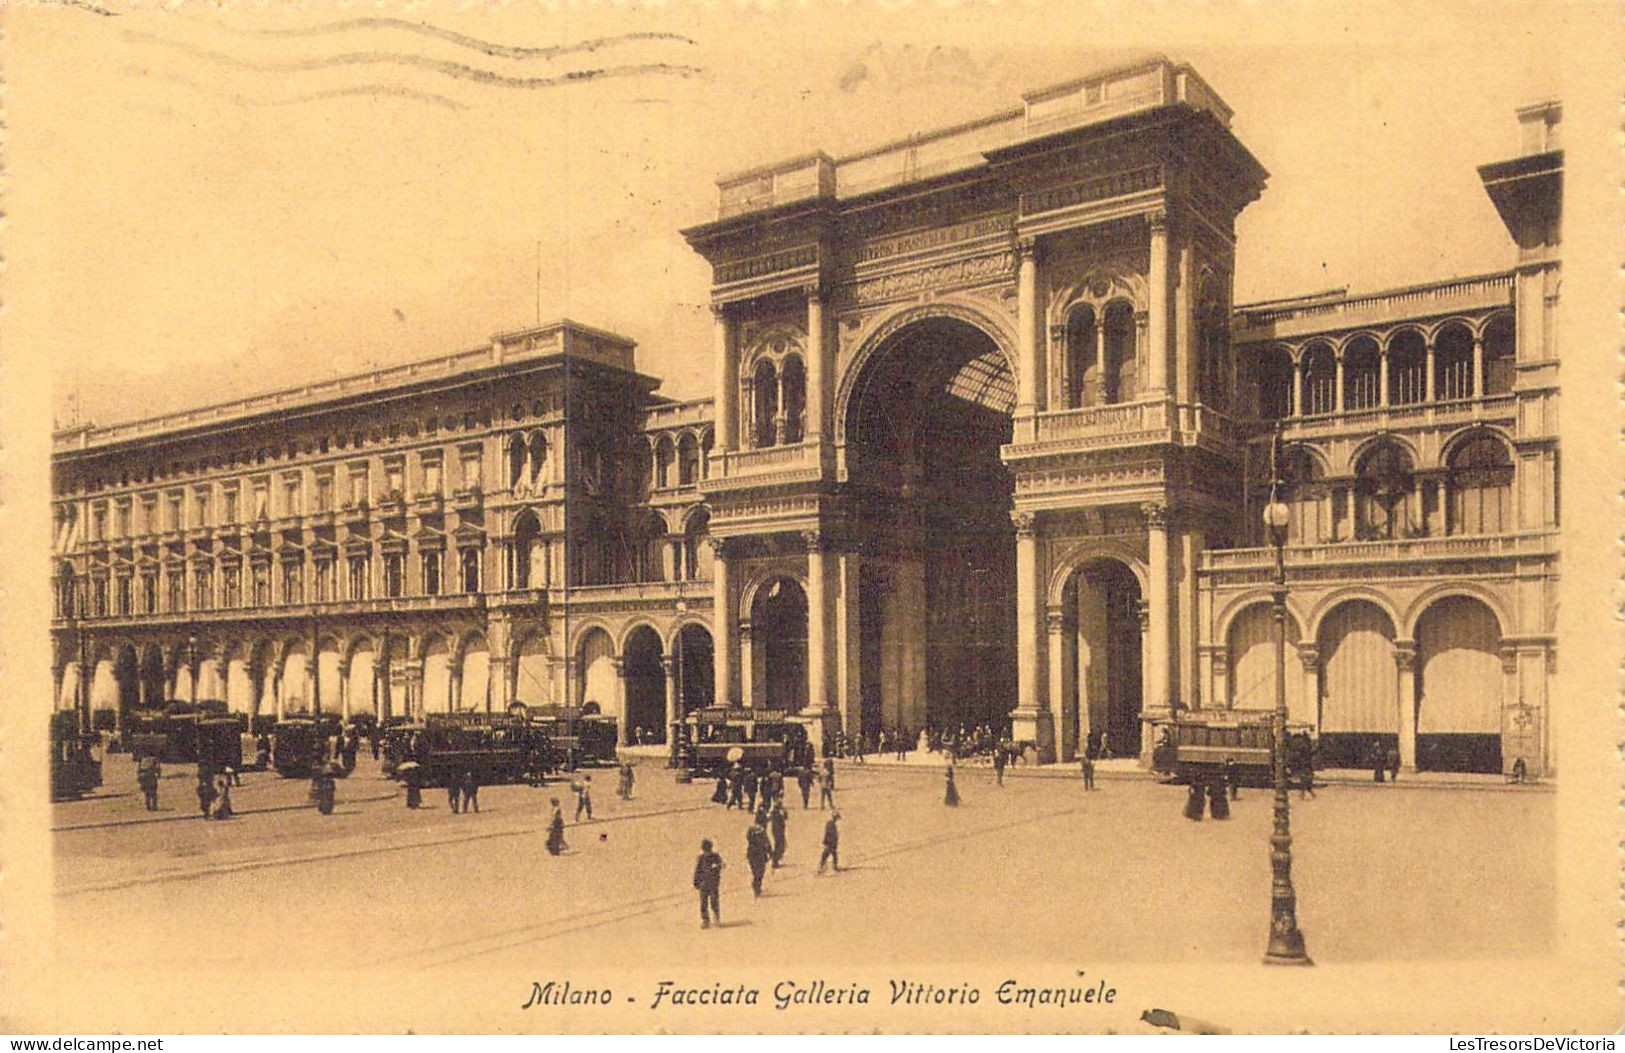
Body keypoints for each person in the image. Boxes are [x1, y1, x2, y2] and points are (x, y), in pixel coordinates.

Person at [693, 838, 724, 929]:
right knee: (704, 902)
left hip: (711, 883)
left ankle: (714, 919)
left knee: (713, 901)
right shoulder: (701, 858)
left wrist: (717, 866)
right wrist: (696, 881)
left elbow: (721, 865)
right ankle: (706, 920)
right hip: (705, 883)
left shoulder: (715, 856)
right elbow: (698, 870)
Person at [745, 820, 771, 897]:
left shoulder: (751, 830)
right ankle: (756, 886)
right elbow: (767, 843)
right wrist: (770, 853)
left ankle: (757, 886)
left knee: (756, 872)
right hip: (759, 854)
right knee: (760, 872)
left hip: (753, 854)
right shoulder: (761, 832)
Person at [768, 800, 787, 868]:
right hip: (778, 832)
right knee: (779, 846)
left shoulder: (775, 813)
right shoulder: (775, 813)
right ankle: (775, 861)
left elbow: (785, 818)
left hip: (778, 831)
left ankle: (776, 860)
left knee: (780, 846)